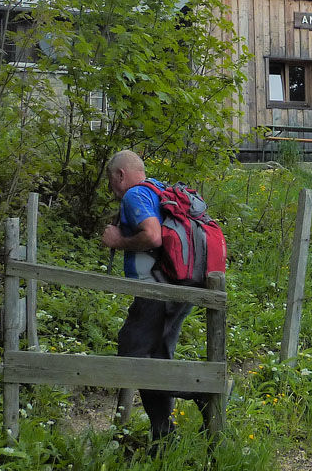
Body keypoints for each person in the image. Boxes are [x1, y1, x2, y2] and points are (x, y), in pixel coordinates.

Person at [101, 150, 192, 445]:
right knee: (158, 359)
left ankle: (204, 390)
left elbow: (153, 236)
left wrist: (118, 240)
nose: (112, 188)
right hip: (178, 288)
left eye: (111, 180)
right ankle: (163, 438)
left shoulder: (134, 195)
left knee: (133, 356)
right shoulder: (158, 188)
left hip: (156, 290)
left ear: (120, 175)